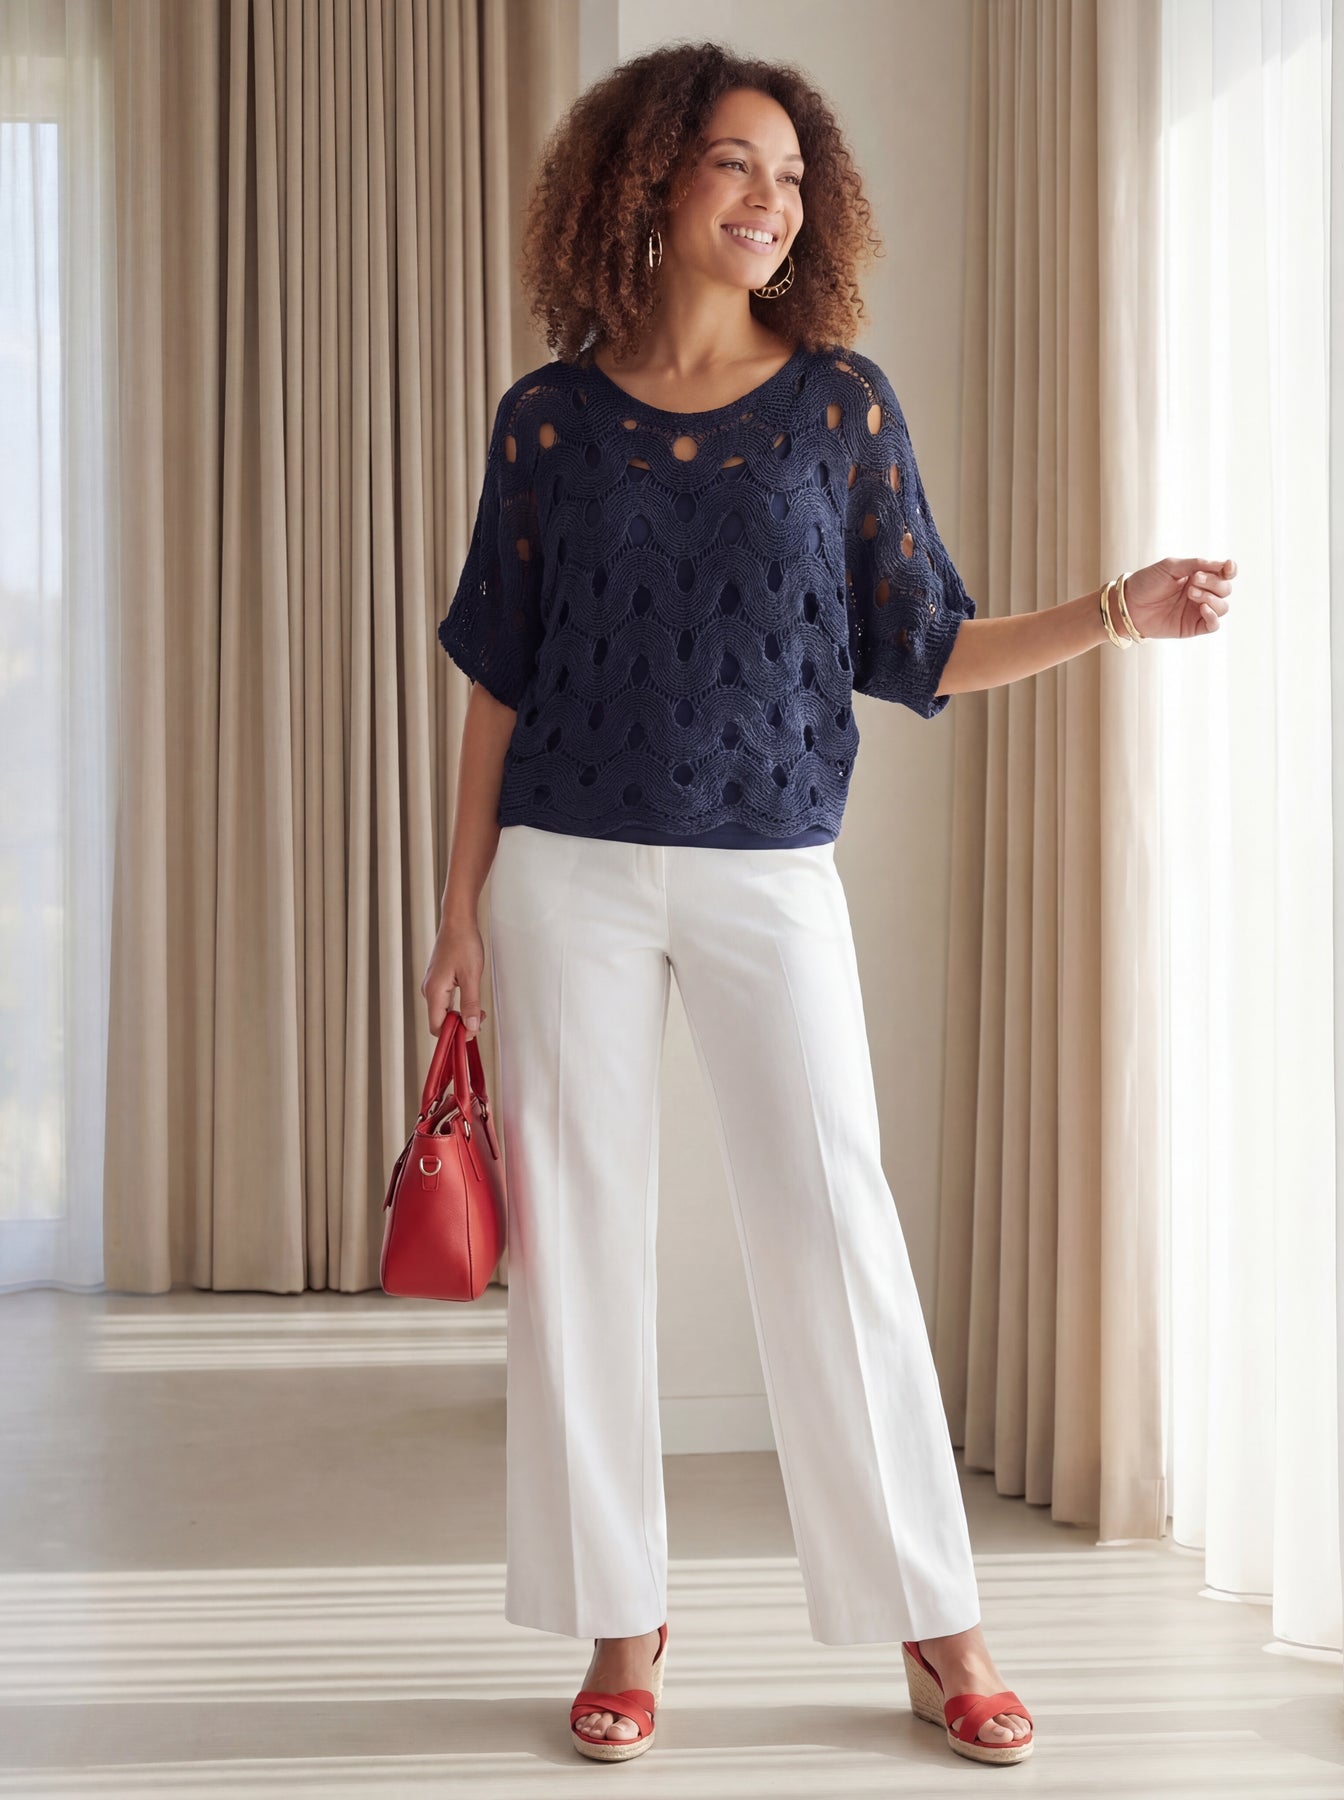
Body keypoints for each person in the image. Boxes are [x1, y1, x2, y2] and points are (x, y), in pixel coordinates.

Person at [422, 41, 1233, 1770]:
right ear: (652, 179)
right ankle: (622, 1619)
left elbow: (921, 643)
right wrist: (458, 910)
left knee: (833, 1227)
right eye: (737, 164)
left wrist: (1116, 610)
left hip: (770, 864)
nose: (771, 202)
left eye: (792, 177)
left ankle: (941, 1627)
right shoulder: (547, 421)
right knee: (581, 1248)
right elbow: (497, 676)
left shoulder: (840, 406)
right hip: (564, 870)